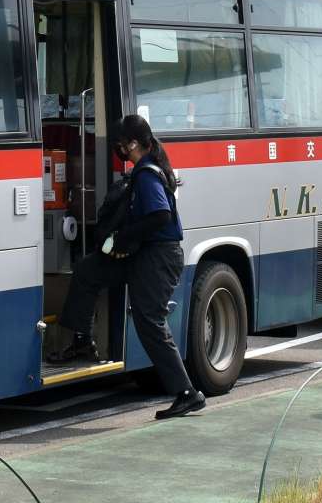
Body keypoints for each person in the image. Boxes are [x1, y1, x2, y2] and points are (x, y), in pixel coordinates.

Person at [47, 114, 205, 419]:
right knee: (88, 271)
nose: (118, 149)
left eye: (120, 143)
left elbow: (160, 216)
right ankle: (81, 340)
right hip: (143, 254)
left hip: (158, 257)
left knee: (149, 321)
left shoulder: (146, 175)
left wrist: (122, 238)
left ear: (133, 144)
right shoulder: (146, 169)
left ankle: (186, 392)